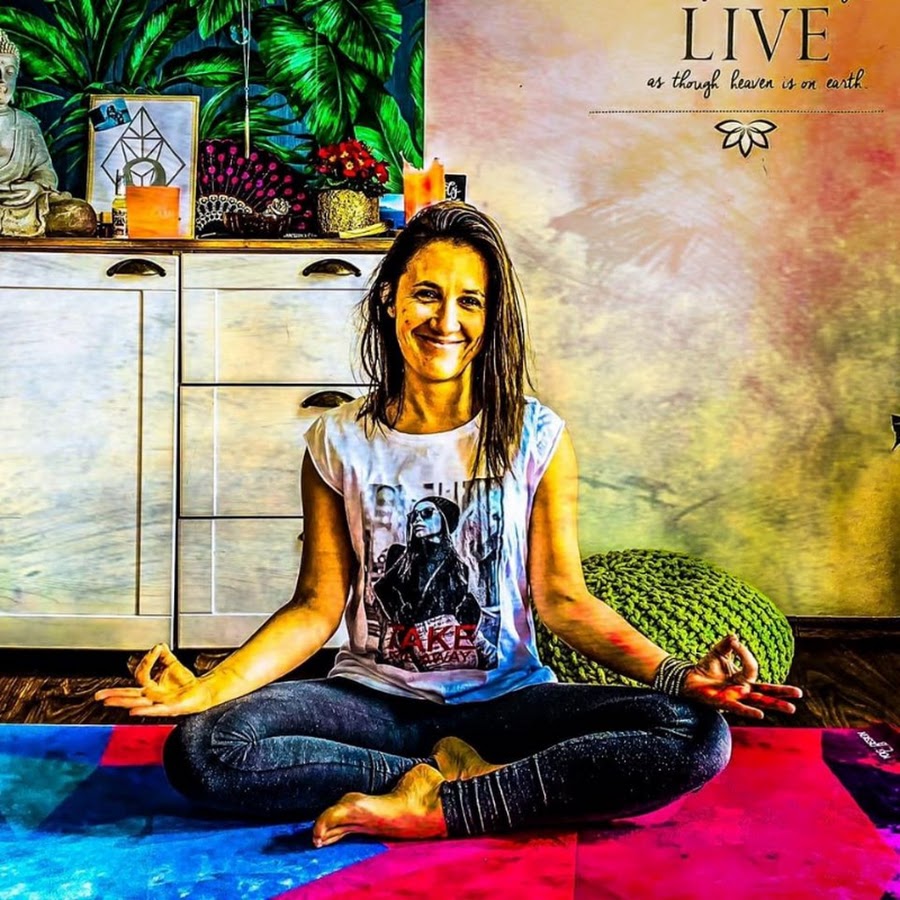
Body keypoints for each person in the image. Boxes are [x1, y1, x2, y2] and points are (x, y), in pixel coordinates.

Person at [96, 201, 803, 846]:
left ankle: (444, 804)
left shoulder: (533, 436)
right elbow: (315, 608)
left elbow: (563, 600)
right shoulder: (337, 441)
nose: (447, 320)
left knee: (696, 734)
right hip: (372, 704)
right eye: (427, 294)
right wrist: (211, 687)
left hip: (508, 703)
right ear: (389, 299)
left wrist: (678, 677)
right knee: (204, 748)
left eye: (470, 301)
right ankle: (446, 781)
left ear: (491, 317)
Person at [0, 29, 60, 237]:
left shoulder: (26, 123)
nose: (2, 81)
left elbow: (45, 170)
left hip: (22, 205)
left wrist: (37, 186)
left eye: (9, 72)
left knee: (79, 216)